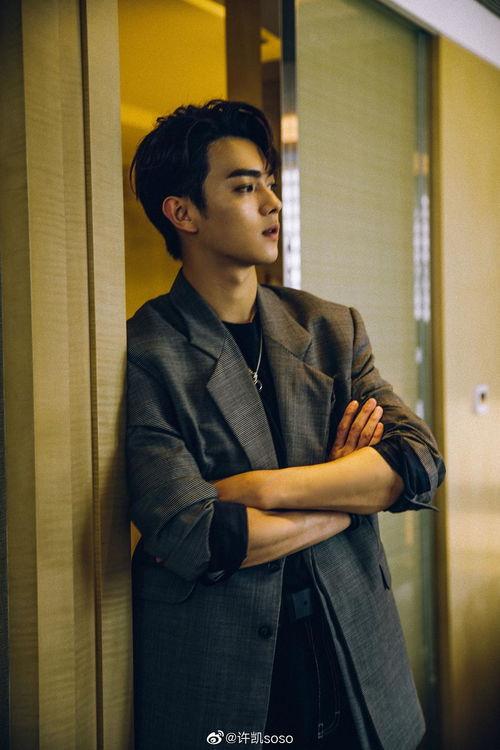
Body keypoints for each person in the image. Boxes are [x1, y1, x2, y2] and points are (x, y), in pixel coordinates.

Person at [126, 99, 445, 750]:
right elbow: (198, 535)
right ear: (183, 213)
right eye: (246, 187)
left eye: (269, 183)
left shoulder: (330, 327)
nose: (273, 202)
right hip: (223, 670)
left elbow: (418, 462)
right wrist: (346, 493)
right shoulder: (145, 350)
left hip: (352, 641)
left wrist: (264, 490)